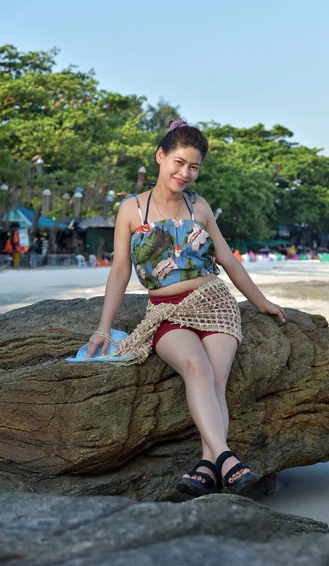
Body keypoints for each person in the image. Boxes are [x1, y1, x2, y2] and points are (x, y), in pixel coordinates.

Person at [83, 120, 287, 497]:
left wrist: (262, 303)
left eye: (194, 166)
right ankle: (226, 458)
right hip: (166, 309)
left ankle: (208, 466)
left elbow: (227, 259)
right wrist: (102, 327)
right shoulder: (132, 209)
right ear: (161, 157)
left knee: (215, 381)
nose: (185, 173)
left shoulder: (201, 208)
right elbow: (120, 271)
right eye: (178, 162)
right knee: (196, 366)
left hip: (215, 303)